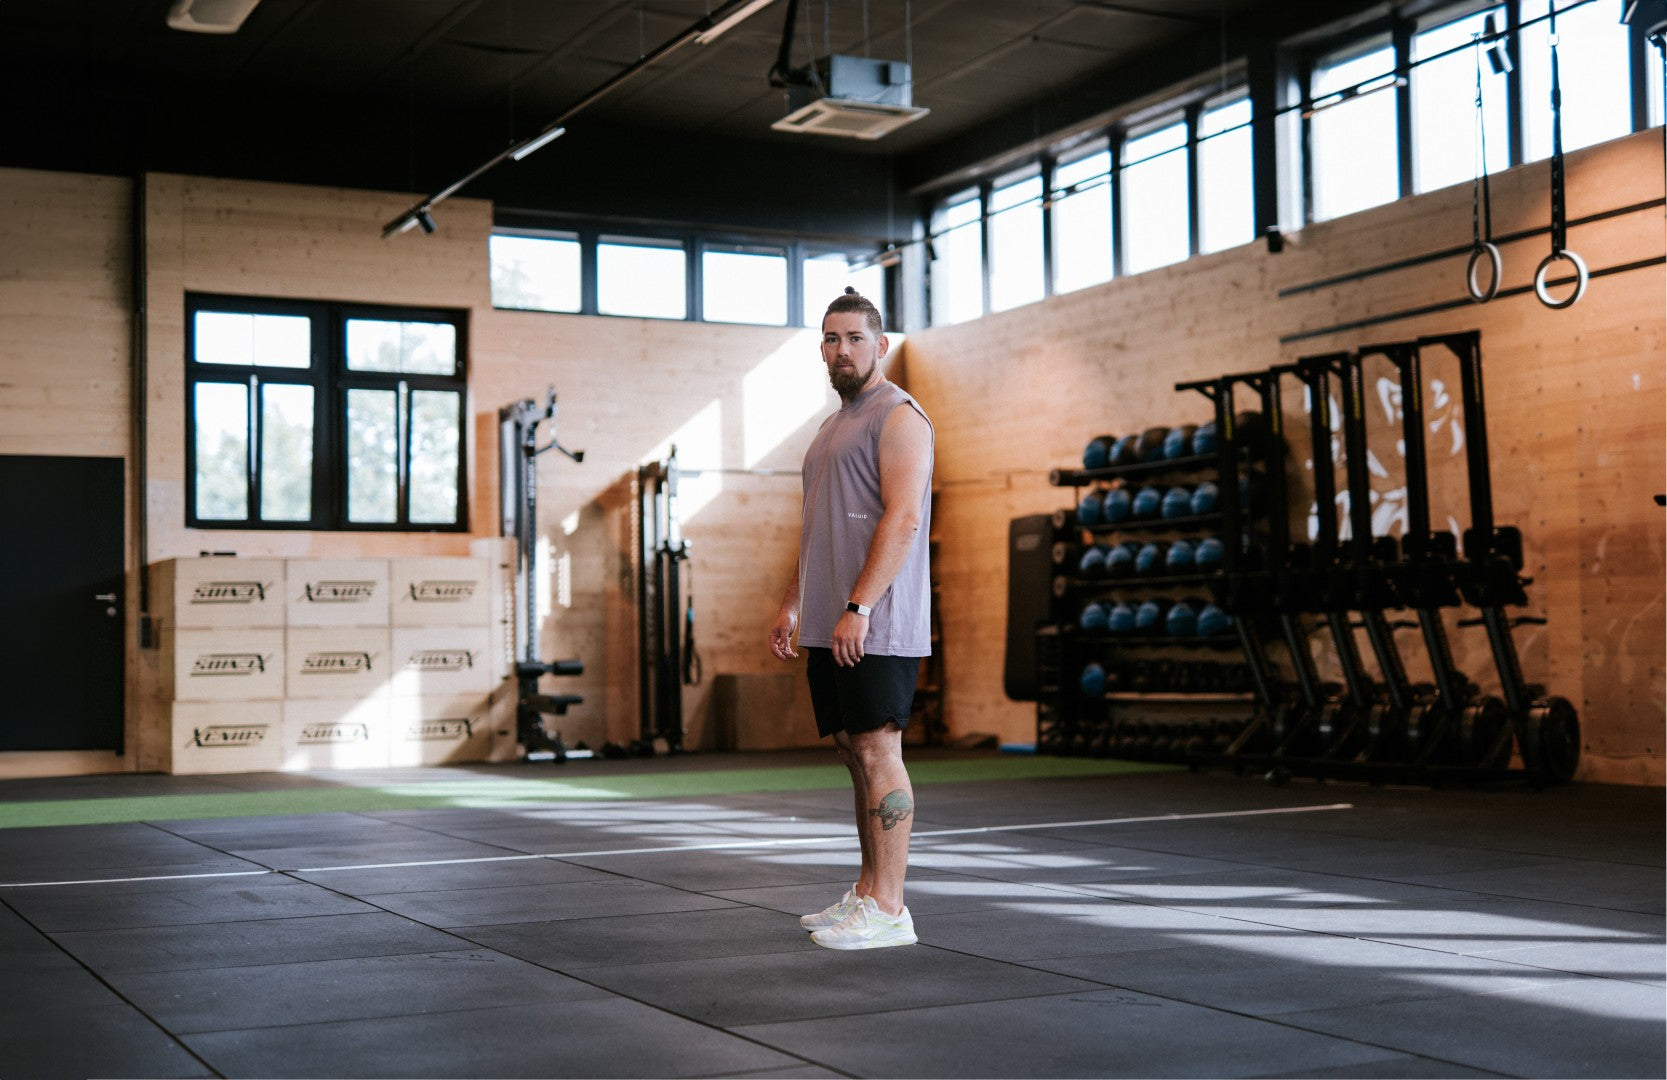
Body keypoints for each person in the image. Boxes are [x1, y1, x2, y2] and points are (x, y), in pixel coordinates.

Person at [769, 287, 934, 950]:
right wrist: (793, 600)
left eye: (855, 339)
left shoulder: (898, 416)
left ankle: (891, 908)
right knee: (851, 751)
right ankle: (867, 891)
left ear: (880, 345)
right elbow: (815, 529)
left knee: (877, 748)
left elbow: (903, 519)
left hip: (875, 621)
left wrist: (858, 605)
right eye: (831, 339)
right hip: (830, 617)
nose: (842, 350)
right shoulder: (830, 427)